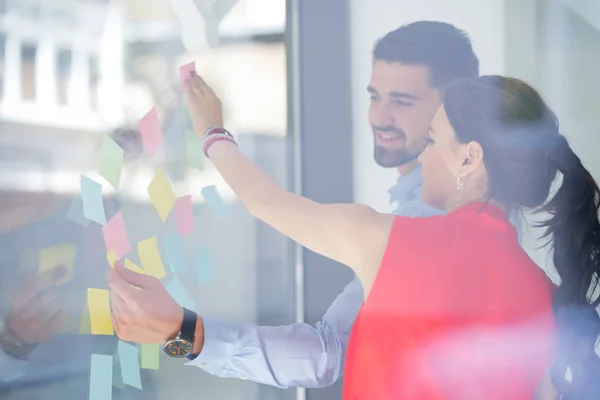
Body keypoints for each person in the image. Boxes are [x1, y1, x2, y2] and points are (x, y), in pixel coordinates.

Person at [136, 72, 600, 399]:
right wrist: (181, 332)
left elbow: (265, 201)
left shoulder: (391, 243)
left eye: (433, 141)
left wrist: (211, 131)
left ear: (469, 158)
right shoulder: (552, 300)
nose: (423, 159)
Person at [107, 20, 480, 389]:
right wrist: (182, 333)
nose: (378, 117)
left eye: (402, 101)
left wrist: (212, 133)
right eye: (374, 96)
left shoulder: (423, 223)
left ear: (453, 111)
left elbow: (324, 354)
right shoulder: (461, 215)